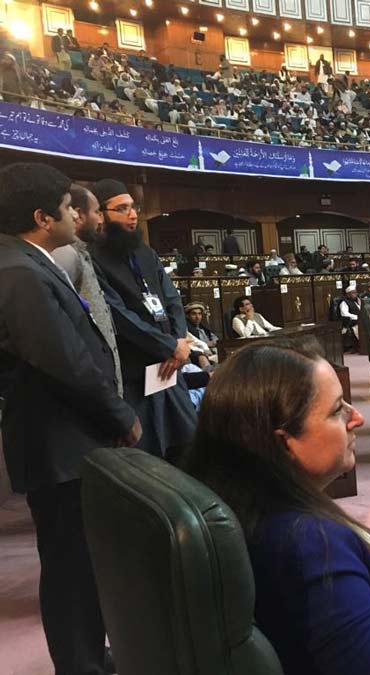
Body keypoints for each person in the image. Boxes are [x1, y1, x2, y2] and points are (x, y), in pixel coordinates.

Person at [179, 340, 370, 674]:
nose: (356, 418)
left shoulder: (238, 505)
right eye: (337, 409)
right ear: (284, 442)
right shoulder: (312, 547)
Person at [0, 163, 140, 675]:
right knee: (71, 567)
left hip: (63, 442)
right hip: (60, 446)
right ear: (42, 217)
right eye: (66, 208)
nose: (76, 214)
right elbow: (66, 362)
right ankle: (81, 665)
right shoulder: (18, 271)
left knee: (79, 563)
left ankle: (87, 657)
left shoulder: (25, 262)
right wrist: (120, 415)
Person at [89, 178, 197, 458]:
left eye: (133, 207)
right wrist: (169, 346)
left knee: (187, 447)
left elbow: (171, 298)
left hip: (171, 368)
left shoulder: (144, 251)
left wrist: (179, 341)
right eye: (122, 209)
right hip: (138, 372)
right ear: (101, 214)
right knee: (149, 456)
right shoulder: (93, 259)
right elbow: (117, 315)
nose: (133, 214)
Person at [51, 184, 123, 395]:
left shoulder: (83, 252)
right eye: (97, 212)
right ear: (79, 215)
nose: (101, 220)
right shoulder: (65, 256)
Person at [339, 284, 362, 349]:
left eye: (356, 292)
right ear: (348, 294)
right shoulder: (344, 302)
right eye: (353, 293)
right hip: (351, 322)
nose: (355, 294)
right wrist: (357, 317)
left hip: (360, 320)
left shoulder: (358, 300)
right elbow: (344, 314)